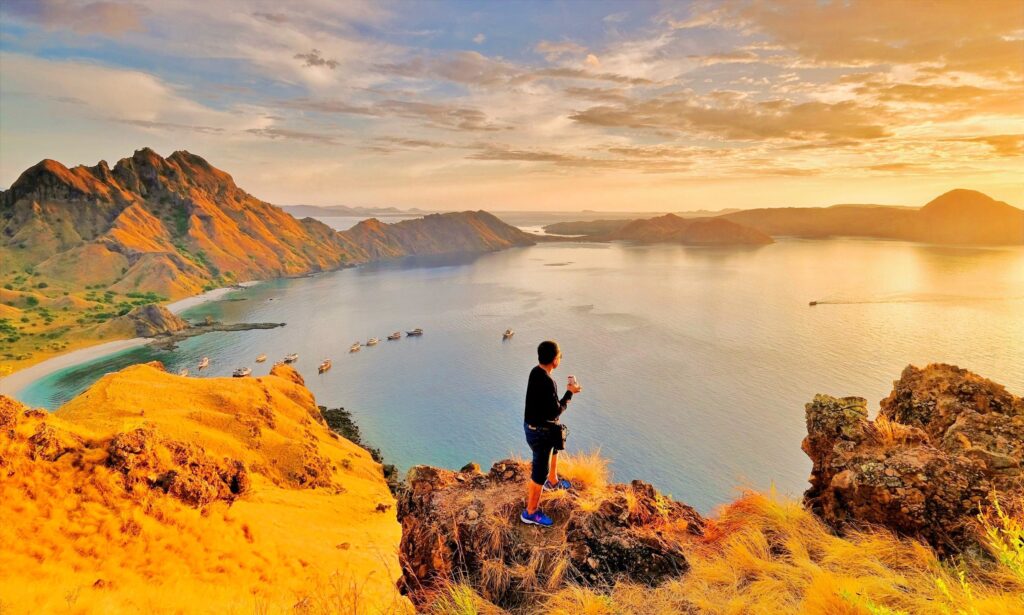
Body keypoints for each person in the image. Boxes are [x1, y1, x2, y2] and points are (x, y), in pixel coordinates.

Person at [521, 340, 581, 527]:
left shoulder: (535, 372)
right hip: (539, 432)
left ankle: (553, 481)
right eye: (559, 355)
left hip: (533, 427)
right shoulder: (548, 382)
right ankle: (530, 512)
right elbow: (555, 411)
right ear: (555, 360)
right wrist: (570, 393)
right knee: (540, 473)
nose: (560, 358)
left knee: (555, 445)